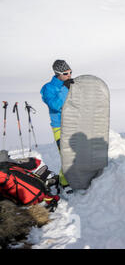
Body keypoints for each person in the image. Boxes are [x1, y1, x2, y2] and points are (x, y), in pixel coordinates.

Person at [40, 59, 74, 194]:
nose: (69, 75)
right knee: (66, 155)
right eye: (66, 73)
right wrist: (65, 88)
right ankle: (64, 182)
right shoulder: (49, 88)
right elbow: (55, 105)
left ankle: (76, 176)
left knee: (78, 153)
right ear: (58, 73)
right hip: (59, 127)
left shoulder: (70, 83)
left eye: (70, 72)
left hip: (74, 123)